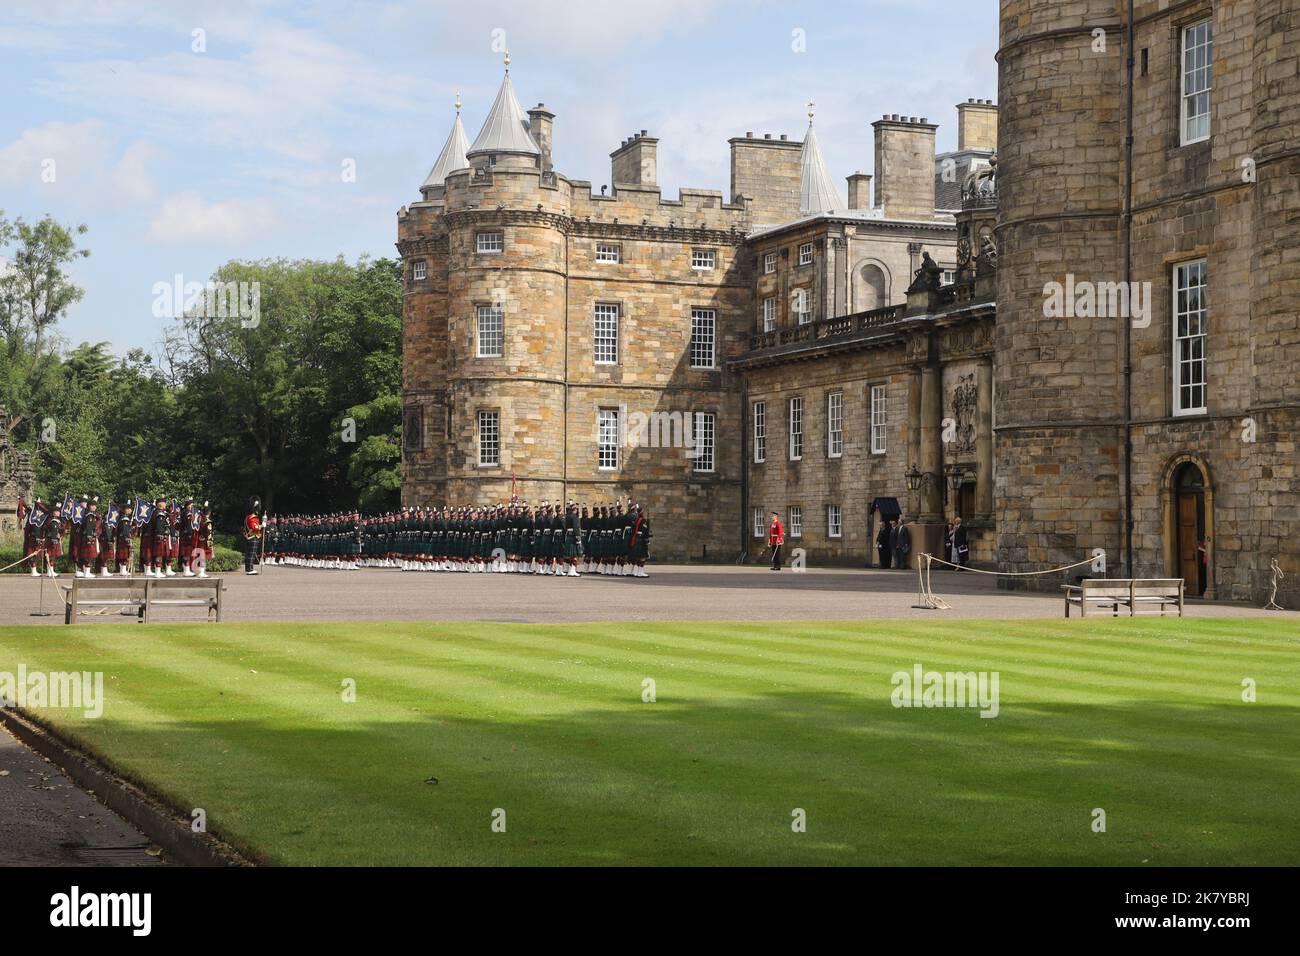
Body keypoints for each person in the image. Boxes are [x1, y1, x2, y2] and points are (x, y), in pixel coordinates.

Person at [244, 498, 263, 575]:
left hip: (249, 536)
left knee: (249, 554)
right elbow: (254, 527)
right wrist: (262, 525)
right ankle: (250, 569)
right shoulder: (253, 517)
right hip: (253, 537)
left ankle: (248, 569)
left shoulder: (247, 517)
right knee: (251, 553)